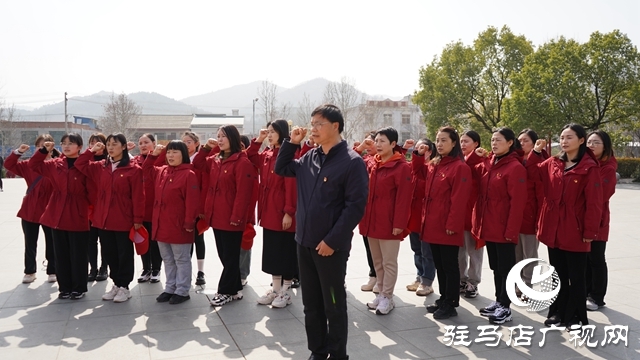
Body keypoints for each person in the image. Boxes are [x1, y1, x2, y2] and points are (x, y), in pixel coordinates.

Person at [275, 104, 368, 360]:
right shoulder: (309, 157)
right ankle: (318, 350)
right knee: (311, 305)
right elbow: (281, 169)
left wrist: (332, 240)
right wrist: (291, 143)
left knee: (334, 305)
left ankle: (338, 354)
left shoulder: (352, 162)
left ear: (335, 126)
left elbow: (355, 207)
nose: (313, 129)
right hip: (304, 243)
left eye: (319, 124)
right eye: (312, 123)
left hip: (330, 248)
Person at [529, 124, 602, 328]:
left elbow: (594, 203)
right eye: (562, 137)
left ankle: (577, 317)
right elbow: (532, 173)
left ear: (581, 140)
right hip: (553, 227)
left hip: (575, 229)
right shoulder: (553, 163)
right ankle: (558, 313)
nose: (564, 141)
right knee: (558, 274)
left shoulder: (589, 167)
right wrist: (536, 152)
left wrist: (590, 231)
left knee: (576, 277)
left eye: (569, 137)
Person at [75, 133, 145, 303]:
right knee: (109, 253)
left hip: (123, 219)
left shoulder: (133, 169)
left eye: (115, 144)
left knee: (124, 254)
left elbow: (138, 196)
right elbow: (80, 163)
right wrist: (91, 150)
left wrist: (137, 219)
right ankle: (116, 283)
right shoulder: (101, 167)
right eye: (109, 144)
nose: (111, 147)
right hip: (102, 219)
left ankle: (124, 287)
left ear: (124, 146)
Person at [192, 125, 257, 306]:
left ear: (233, 139)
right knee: (225, 256)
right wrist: (206, 148)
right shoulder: (215, 159)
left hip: (231, 219)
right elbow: (197, 164)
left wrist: (237, 218)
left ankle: (225, 291)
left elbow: (243, 194)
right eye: (218, 136)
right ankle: (235, 289)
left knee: (229, 257)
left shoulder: (242, 162)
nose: (219, 140)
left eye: (223, 137)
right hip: (216, 216)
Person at [414, 126, 471, 320]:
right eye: (437, 140)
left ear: (454, 143)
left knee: (449, 265)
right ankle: (444, 298)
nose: (439, 144)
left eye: (444, 140)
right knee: (439, 264)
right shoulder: (435, 164)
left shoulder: (460, 167)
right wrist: (417, 154)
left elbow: (459, 200)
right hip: (432, 224)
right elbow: (419, 174)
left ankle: (451, 303)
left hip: (447, 226)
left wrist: (452, 226)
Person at [472, 127, 527, 325]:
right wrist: (478, 156)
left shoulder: (515, 168)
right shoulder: (491, 163)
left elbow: (517, 203)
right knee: (497, 267)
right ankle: (499, 301)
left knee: (506, 268)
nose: (494, 143)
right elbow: (471, 170)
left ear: (510, 142)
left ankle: (506, 307)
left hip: (504, 229)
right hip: (490, 226)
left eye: (499, 140)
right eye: (492, 140)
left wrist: (511, 231)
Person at [28, 134, 91, 300]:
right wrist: (43, 150)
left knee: (78, 253)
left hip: (77, 212)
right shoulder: (55, 164)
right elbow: (33, 165)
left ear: (79, 146)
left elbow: (93, 190)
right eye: (64, 143)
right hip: (56, 213)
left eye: (71, 143)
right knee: (60, 253)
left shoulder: (85, 165)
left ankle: (79, 287)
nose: (67, 146)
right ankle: (64, 287)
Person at [360, 127, 412, 315]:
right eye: (377, 141)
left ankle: (388, 297)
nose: (378, 144)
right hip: (371, 220)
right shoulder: (373, 164)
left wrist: (399, 223)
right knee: (377, 262)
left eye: (383, 141)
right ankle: (381, 293)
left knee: (389, 262)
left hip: (389, 222)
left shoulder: (402, 167)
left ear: (393, 144)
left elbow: (404, 199)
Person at [247, 120, 299, 308]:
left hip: (282, 211)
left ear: (283, 133)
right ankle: (275, 289)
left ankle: (285, 291)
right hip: (268, 211)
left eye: (273, 132)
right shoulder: (267, 154)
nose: (269, 135)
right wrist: (258, 140)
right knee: (272, 253)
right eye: (267, 131)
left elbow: (291, 186)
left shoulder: (289, 155)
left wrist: (288, 212)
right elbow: (250, 156)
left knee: (284, 252)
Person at [143, 141, 200, 305]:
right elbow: (146, 171)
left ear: (183, 154)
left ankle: (182, 290)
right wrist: (153, 155)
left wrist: (189, 223)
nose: (170, 156)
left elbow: (192, 201)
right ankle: (170, 287)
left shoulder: (189, 174)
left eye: (175, 152)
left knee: (181, 259)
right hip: (162, 224)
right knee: (167, 258)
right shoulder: (162, 171)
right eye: (168, 152)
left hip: (179, 224)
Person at [4, 135, 58, 284]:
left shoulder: (56, 165)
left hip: (50, 208)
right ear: (35, 148)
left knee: (52, 241)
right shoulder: (28, 165)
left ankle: (52, 270)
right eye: (41, 146)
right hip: (30, 208)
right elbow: (9, 165)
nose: (44, 149)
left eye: (47, 146)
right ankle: (30, 271)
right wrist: (18, 152)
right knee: (30, 242)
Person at [586, 130, 617, 312]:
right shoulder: (586, 163)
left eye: (596, 142)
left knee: (596, 258)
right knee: (585, 258)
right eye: (589, 142)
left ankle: (597, 296)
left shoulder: (608, 168)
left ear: (605, 146)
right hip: (581, 218)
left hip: (598, 219)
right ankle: (586, 291)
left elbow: (600, 196)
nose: (591, 145)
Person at [516, 129, 547, 298]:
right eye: (519, 140)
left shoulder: (540, 162)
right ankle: (518, 284)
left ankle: (528, 285)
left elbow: (541, 194)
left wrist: (540, 218)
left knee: (530, 254)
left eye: (526, 140)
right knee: (517, 254)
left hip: (531, 215)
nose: (521, 143)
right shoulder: (516, 160)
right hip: (516, 216)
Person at [406, 138, 436, 297]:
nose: (418, 152)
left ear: (430, 151)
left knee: (427, 252)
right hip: (414, 217)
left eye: (422, 149)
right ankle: (419, 277)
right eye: (416, 149)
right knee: (416, 249)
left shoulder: (431, 168)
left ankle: (427, 281)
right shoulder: (413, 168)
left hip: (427, 217)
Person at [132, 133, 163, 284]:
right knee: (142, 239)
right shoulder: (134, 161)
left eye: (146, 142)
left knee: (155, 240)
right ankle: (146, 268)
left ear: (154, 143)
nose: (143, 145)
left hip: (156, 207)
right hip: (140, 207)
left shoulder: (161, 158)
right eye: (140, 143)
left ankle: (156, 268)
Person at [458, 130, 484, 298]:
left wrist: (475, 157)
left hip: (474, 213)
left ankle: (473, 283)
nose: (463, 144)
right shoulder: (458, 161)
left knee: (474, 252)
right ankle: (461, 279)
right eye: (461, 141)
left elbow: (470, 171)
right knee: (459, 252)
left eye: (466, 141)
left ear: (476, 144)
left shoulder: (480, 162)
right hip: (460, 214)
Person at [354, 131, 379, 293]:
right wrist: (361, 147)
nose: (369, 146)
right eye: (367, 143)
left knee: (381, 250)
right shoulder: (364, 160)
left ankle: (381, 279)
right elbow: (347, 160)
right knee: (369, 246)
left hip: (380, 212)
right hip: (365, 211)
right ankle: (373, 276)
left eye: (373, 142)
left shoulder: (383, 161)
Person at [182, 132, 208, 285]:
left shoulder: (199, 161)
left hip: (197, 207)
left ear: (197, 143)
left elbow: (204, 186)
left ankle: (200, 271)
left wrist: (201, 208)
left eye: (189, 141)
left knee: (198, 239)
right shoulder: (180, 160)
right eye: (183, 141)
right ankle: (186, 271)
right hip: (182, 207)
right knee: (185, 240)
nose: (186, 144)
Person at [86, 133, 109, 282]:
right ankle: (92, 268)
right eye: (92, 142)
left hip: (105, 206)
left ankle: (104, 268)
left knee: (105, 240)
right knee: (90, 240)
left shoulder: (109, 161)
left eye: (99, 142)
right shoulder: (86, 161)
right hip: (89, 206)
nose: (96, 145)